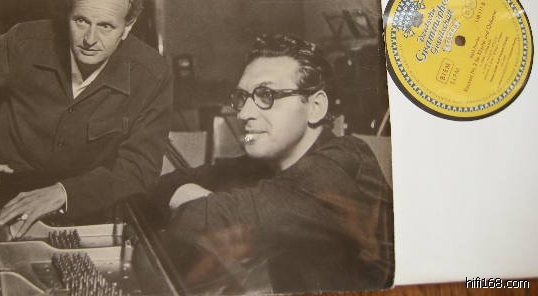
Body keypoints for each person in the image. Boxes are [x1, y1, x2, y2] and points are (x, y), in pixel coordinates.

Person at [151, 34, 393, 293]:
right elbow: (157, 188)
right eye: (242, 97)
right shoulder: (270, 164)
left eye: (266, 95)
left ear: (316, 107)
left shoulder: (337, 166)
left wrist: (201, 203)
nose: (243, 114)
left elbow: (197, 220)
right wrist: (189, 195)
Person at [0, 0, 172, 235]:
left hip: (88, 204)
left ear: (128, 26)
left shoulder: (153, 74)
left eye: (106, 26)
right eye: (81, 21)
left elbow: (139, 169)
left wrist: (65, 193)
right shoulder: (24, 42)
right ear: (68, 14)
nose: (90, 39)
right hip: (6, 191)